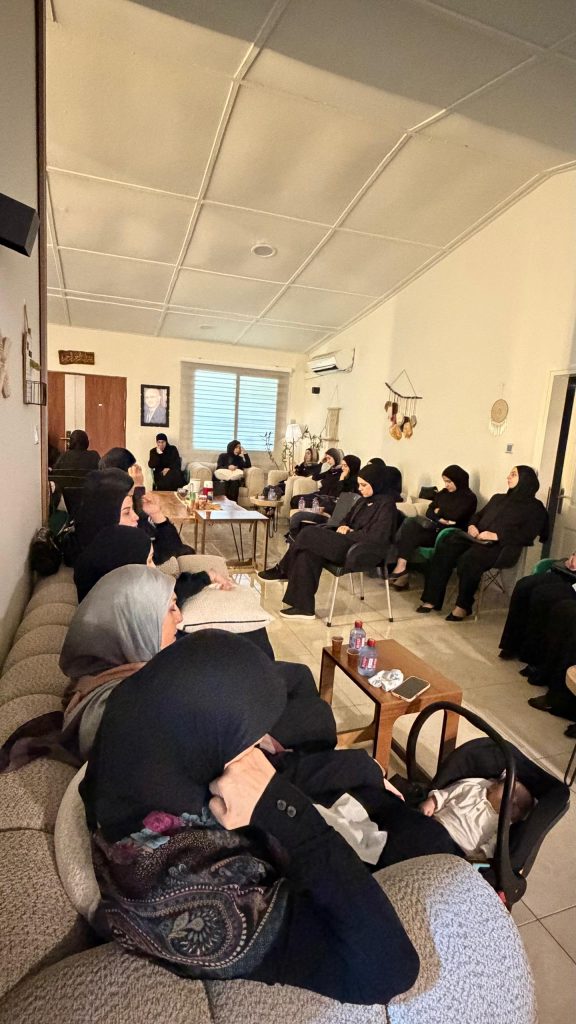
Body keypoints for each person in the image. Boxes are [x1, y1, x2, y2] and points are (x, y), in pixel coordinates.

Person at [80, 632, 421, 1004]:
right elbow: (390, 970)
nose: (260, 745)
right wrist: (284, 810)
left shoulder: (136, 758)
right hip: (335, 886)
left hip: (300, 849)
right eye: (250, 739)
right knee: (424, 836)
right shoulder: (206, 907)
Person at [59, 566, 182, 761]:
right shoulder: (118, 711)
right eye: (171, 608)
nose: (179, 617)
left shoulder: (102, 674)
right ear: (139, 622)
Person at [259, 463, 401, 620]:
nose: (360, 488)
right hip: (346, 543)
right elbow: (346, 518)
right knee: (308, 551)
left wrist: (351, 532)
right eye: (359, 484)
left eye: (364, 485)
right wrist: (344, 526)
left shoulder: (387, 506)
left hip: (362, 551)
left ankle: (283, 569)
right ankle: (303, 607)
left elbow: (377, 537)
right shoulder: (362, 501)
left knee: (308, 533)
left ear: (376, 483)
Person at [417, 466, 548, 620]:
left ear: (525, 479)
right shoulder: (498, 498)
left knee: (470, 559)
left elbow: (527, 534)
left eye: (513, 475)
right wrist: (472, 526)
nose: (508, 477)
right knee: (446, 545)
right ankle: (432, 599)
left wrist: (496, 536)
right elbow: (477, 516)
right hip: (475, 539)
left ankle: (463, 606)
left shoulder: (534, 508)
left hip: (500, 547)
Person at [75, 467, 194, 566]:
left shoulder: (116, 542)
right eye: (127, 512)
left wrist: (156, 514)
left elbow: (172, 549)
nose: (136, 516)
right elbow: (170, 554)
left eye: (132, 509)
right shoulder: (124, 554)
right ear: (106, 516)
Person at [390, 465, 477, 588]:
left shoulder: (469, 497)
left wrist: (439, 511)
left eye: (449, 481)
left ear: (458, 480)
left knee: (409, 532)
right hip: (436, 529)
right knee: (410, 525)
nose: (446, 485)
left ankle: (400, 572)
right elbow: (429, 511)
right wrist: (439, 517)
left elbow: (456, 515)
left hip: (450, 536)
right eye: (445, 481)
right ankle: (401, 566)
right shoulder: (443, 493)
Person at [420, 776, 533, 860]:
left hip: (457, 851)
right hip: (434, 825)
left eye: (518, 805)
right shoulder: (472, 789)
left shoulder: (502, 825)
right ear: (493, 786)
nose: (513, 800)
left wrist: (480, 857)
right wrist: (433, 802)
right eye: (510, 792)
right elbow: (445, 795)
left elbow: (492, 847)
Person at [499, 552, 576, 667]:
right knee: (524, 585)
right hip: (569, 573)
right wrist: (573, 557)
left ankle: (532, 655)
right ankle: (512, 644)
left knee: (542, 595)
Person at [287, 454, 361, 536]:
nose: (343, 468)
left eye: (345, 466)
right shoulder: (335, 472)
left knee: (298, 515)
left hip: (329, 505)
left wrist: (341, 479)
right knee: (295, 503)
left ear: (352, 467)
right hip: (325, 499)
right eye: (342, 465)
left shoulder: (354, 482)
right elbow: (316, 477)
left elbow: (339, 496)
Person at [289, 447, 344, 512]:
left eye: (329, 458)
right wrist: (321, 462)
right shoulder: (331, 470)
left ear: (336, 458)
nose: (327, 461)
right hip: (319, 495)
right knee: (294, 500)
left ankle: (310, 511)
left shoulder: (341, 473)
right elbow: (315, 477)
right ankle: (310, 510)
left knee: (298, 502)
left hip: (326, 499)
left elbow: (338, 492)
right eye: (326, 459)